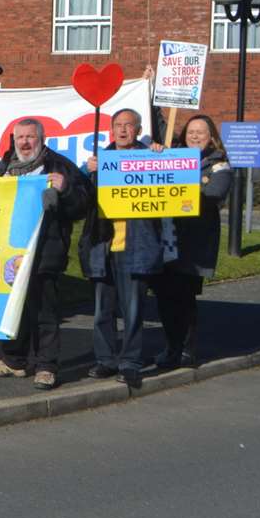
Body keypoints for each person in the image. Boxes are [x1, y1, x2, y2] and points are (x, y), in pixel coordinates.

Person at [0, 117, 90, 391]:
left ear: (41, 139)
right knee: (13, 309)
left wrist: (64, 190)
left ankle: (46, 367)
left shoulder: (59, 166)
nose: (25, 142)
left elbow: (82, 205)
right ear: (14, 140)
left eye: (31, 137)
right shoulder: (6, 166)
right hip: (12, 253)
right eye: (20, 137)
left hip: (45, 252)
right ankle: (14, 361)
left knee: (45, 311)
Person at [80, 107, 166, 389]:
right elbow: (77, 194)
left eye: (129, 125)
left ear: (139, 130)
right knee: (102, 311)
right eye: (118, 125)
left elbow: (172, 188)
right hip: (103, 247)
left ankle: (130, 363)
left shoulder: (151, 158)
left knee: (133, 310)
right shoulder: (97, 162)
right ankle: (106, 360)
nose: (123, 130)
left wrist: (160, 157)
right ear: (111, 130)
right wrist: (86, 173)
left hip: (136, 247)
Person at [150, 114, 232, 369]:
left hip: (195, 241)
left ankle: (186, 349)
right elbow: (161, 125)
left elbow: (215, 194)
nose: (195, 136)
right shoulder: (171, 157)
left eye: (202, 132)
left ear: (212, 138)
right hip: (166, 238)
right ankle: (171, 346)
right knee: (164, 295)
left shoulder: (219, 165)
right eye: (191, 132)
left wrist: (180, 188)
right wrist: (151, 90)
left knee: (184, 297)